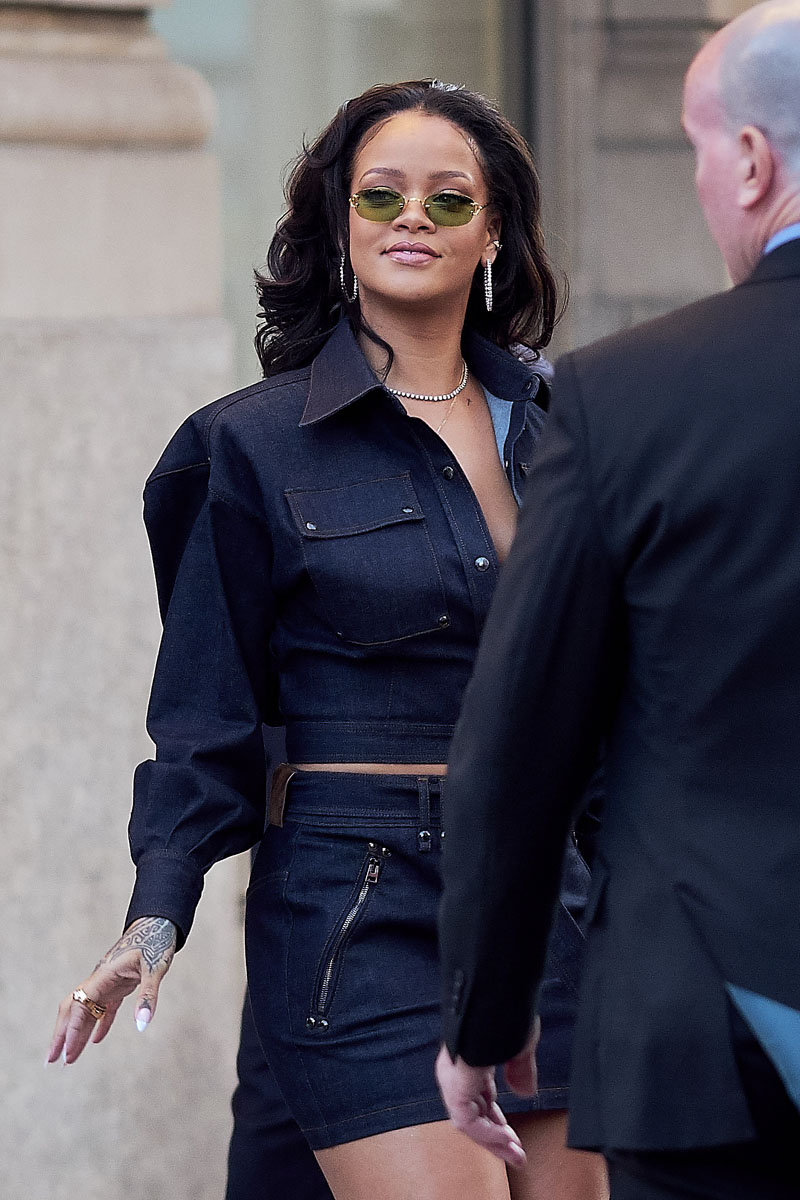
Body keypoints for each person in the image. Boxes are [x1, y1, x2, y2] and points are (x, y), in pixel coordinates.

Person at [48, 81, 608, 1200]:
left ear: (494, 230)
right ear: (340, 226)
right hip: (359, 902)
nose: (413, 219)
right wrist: (155, 917)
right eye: (380, 196)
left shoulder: (576, 425)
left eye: (449, 200)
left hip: (551, 894)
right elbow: (204, 716)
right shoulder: (248, 446)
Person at [436, 4, 800, 1198]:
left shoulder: (623, 396)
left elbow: (519, 739)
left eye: (696, 149)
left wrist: (485, 1016)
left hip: (711, 1039)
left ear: (747, 160)